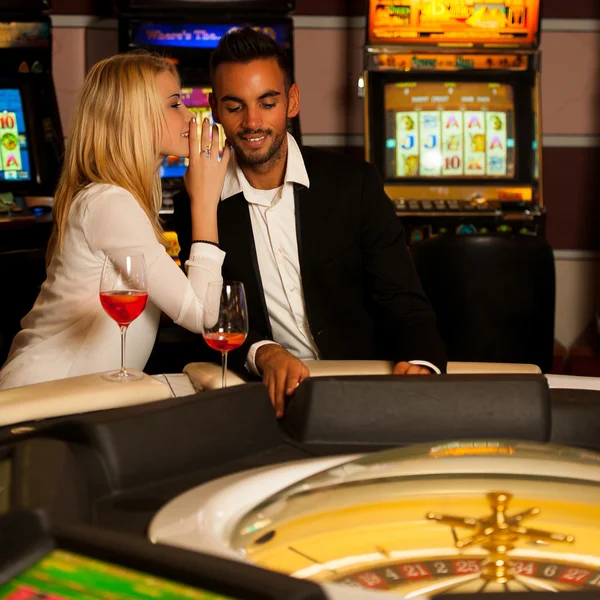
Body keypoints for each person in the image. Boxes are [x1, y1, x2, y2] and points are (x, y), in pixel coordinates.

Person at [174, 28, 447, 417]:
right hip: (267, 400)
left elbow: (404, 302)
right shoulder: (200, 204)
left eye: (267, 103)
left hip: (363, 390)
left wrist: (421, 364)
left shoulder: (355, 184)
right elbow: (204, 316)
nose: (252, 122)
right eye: (235, 107)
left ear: (292, 101)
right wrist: (262, 352)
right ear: (215, 109)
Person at [0, 52, 230, 390]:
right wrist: (206, 201)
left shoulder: (116, 198)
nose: (190, 117)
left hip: (76, 396)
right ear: (134, 119)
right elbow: (203, 316)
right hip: (41, 402)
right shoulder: (110, 202)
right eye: (174, 104)